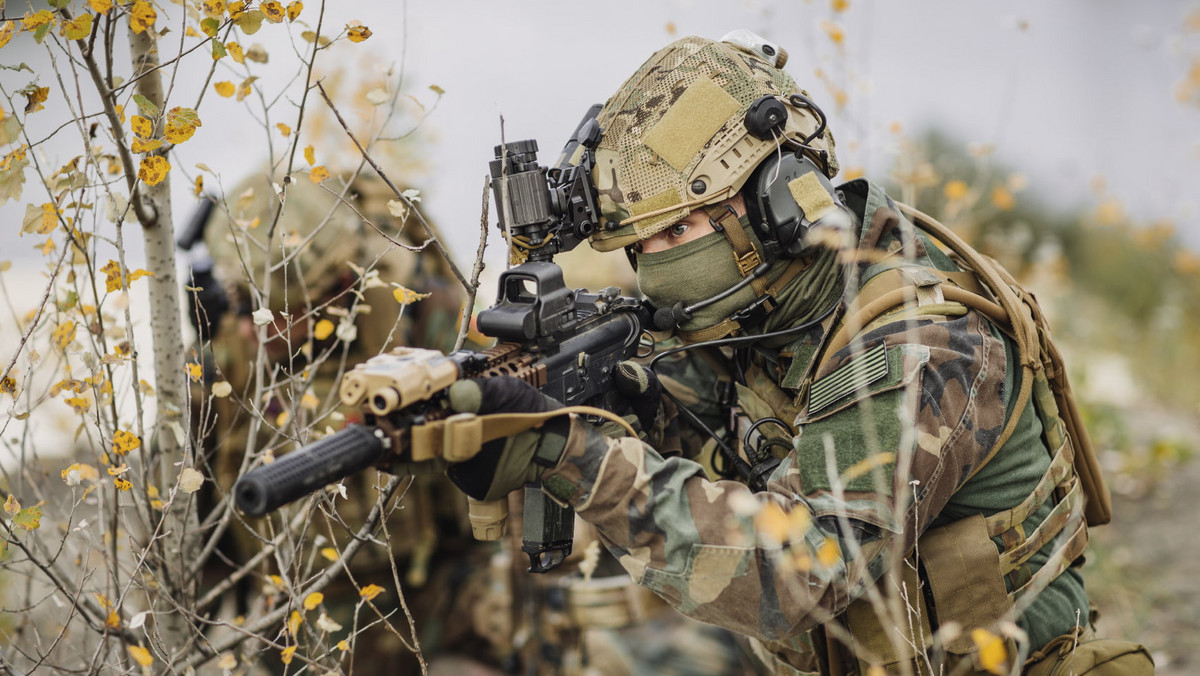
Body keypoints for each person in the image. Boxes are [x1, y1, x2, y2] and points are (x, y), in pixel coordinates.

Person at [436, 32, 1156, 674]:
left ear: (781, 199)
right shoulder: (761, 305)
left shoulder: (926, 339)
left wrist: (574, 454)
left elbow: (795, 575)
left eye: (677, 230)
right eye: (637, 245)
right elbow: (705, 429)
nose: (652, 265)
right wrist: (530, 408)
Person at [188, 169, 488, 673]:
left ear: (337, 290)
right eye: (240, 305)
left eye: (275, 312)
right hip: (296, 636)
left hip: (436, 612)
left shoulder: (421, 317)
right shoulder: (222, 365)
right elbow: (193, 541)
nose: (248, 325)